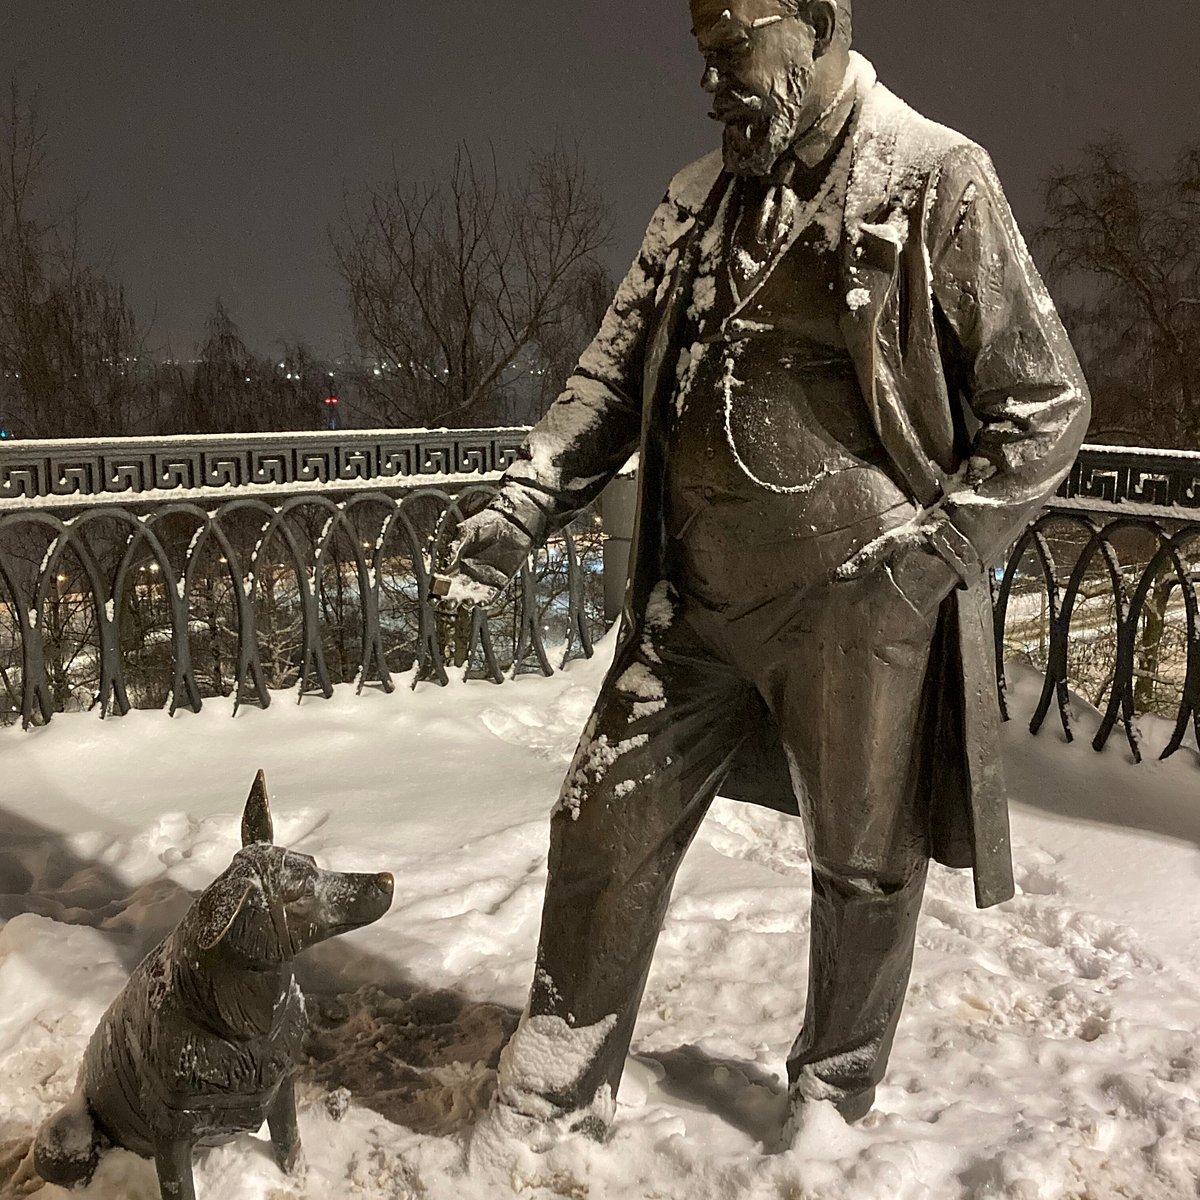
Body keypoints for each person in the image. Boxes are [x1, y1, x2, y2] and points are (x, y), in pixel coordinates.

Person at [438, 0, 1090, 1147]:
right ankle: (556, 1076)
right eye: (702, 53)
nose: (710, 79)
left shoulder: (936, 178)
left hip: (856, 605)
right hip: (691, 603)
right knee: (601, 821)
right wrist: (529, 499)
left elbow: (1044, 403)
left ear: (820, 23)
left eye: (730, 47)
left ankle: (830, 1101)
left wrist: (931, 558)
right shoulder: (697, 197)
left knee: (862, 863)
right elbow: (608, 376)